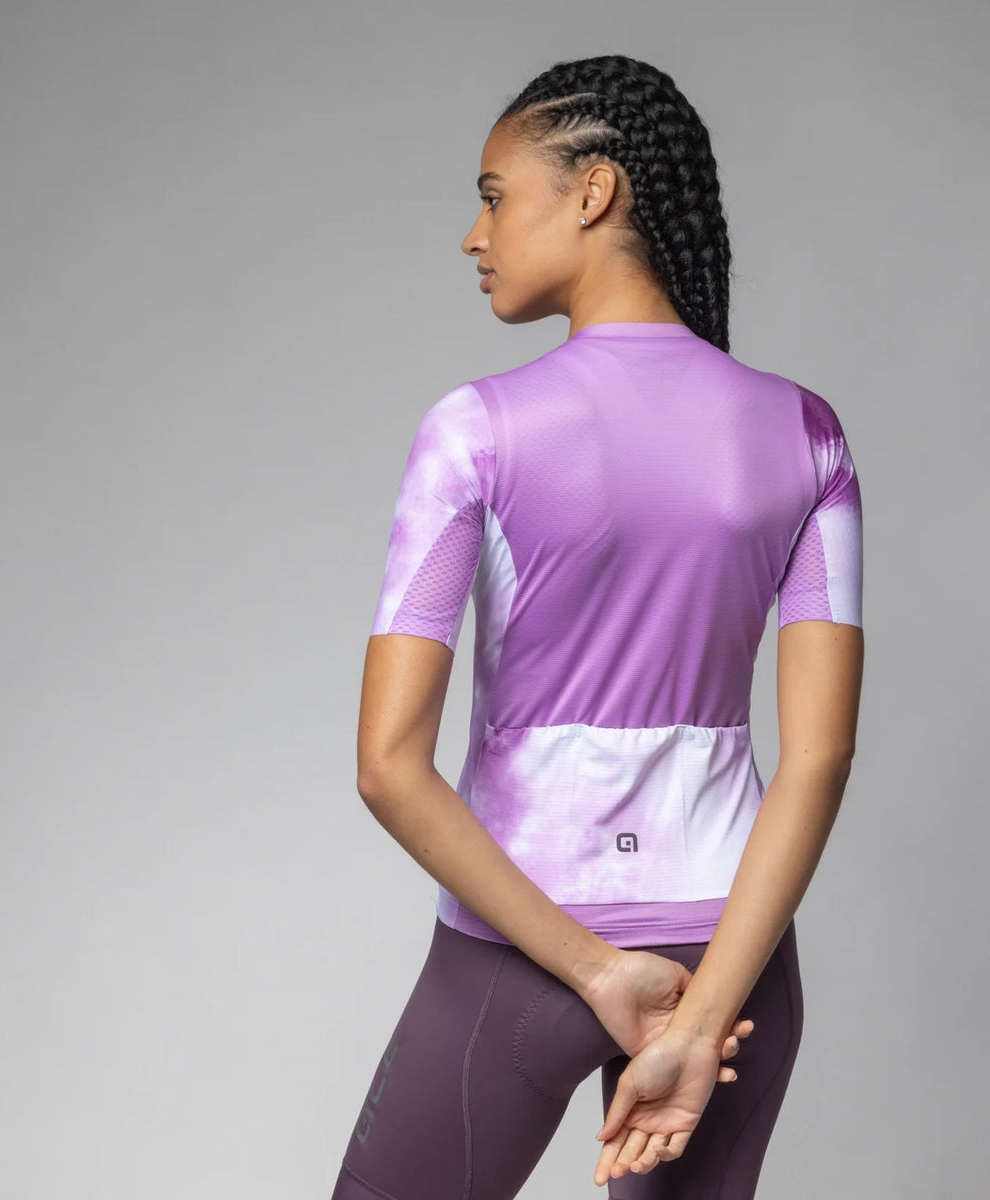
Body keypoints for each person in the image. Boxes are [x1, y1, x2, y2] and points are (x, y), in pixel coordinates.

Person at [330, 54, 864, 1199]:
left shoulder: (475, 433)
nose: (474, 236)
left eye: (493, 196)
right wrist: (703, 1014)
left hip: (517, 959)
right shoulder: (807, 434)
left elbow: (388, 768)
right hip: (732, 966)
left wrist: (596, 971)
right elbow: (818, 759)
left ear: (594, 190)